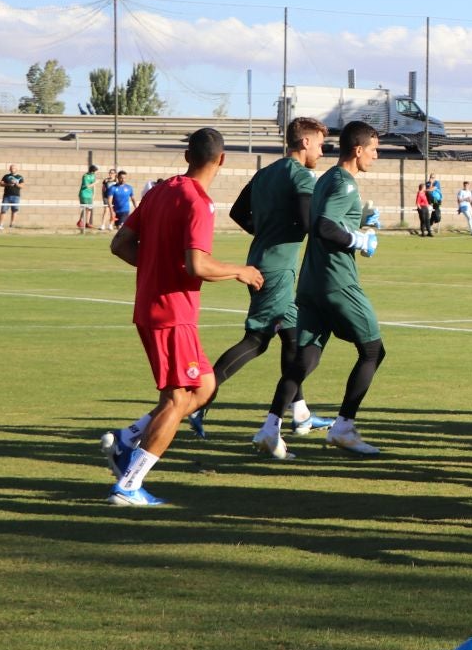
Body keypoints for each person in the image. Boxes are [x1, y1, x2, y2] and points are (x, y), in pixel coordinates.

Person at [100, 128, 263, 505]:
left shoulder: (159, 191)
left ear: (188, 156)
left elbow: (120, 244)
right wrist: (241, 271)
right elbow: (197, 264)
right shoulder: (198, 202)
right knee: (177, 400)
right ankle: (129, 485)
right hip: (172, 313)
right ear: (222, 160)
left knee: (204, 387)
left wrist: (155, 268)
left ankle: (127, 440)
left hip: (152, 307)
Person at [197, 116, 337, 455]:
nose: (322, 152)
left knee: (293, 338)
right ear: (305, 142)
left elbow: (237, 212)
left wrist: (266, 231)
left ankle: (300, 413)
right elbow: (307, 221)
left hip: (263, 260)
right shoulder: (300, 175)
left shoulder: (266, 173)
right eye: (320, 145)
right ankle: (197, 400)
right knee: (257, 341)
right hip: (276, 270)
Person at [273, 121, 388, 454]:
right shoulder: (345, 183)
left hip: (310, 282)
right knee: (373, 351)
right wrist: (359, 240)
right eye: (374, 149)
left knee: (306, 357)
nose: (376, 155)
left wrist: (359, 225)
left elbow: (326, 221)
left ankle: (270, 426)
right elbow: (323, 227)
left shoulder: (325, 179)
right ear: (358, 149)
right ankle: (344, 428)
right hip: (336, 282)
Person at [0, 164, 24, 230]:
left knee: (14, 210)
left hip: (16, 196)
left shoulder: (20, 177)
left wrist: (16, 184)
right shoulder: (6, 176)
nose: (12, 169)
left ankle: (12, 225)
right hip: (7, 196)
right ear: (9, 169)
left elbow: (22, 186)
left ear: (16, 169)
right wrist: (8, 184)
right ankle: (1, 225)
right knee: (3, 210)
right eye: (11, 168)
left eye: (14, 168)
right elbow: (1, 184)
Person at [77, 164, 100, 233]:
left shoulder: (93, 176)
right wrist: (96, 183)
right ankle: (80, 221)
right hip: (84, 194)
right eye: (96, 171)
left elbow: (94, 186)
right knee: (85, 207)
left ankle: (87, 223)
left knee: (89, 208)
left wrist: (94, 194)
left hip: (90, 195)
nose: (97, 172)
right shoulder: (85, 176)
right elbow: (87, 186)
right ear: (93, 170)